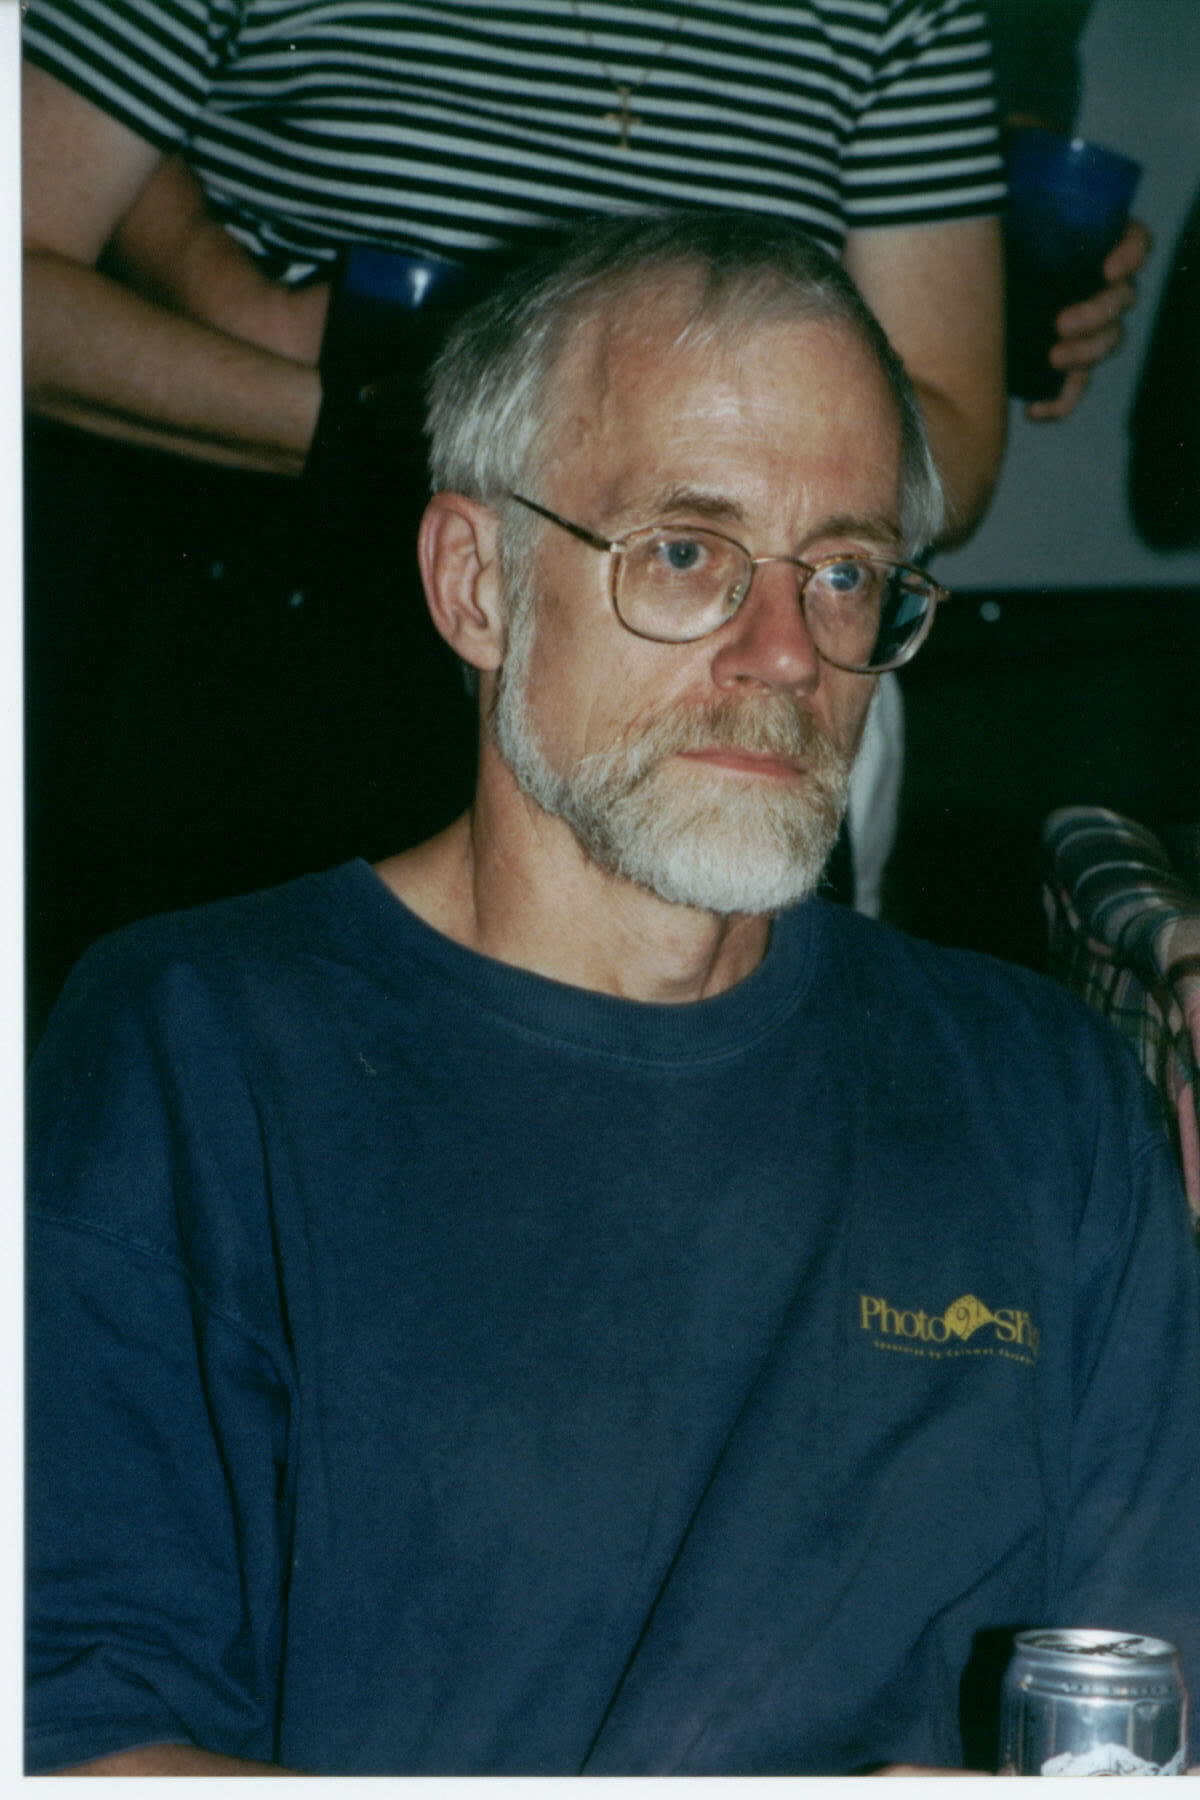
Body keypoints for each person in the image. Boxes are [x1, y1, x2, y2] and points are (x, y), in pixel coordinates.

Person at [27, 211, 1200, 1778]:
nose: (784, 653)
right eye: (687, 553)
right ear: (476, 584)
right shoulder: (194, 1055)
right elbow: (83, 1738)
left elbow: (1152, 1713)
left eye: (845, 571)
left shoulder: (1040, 1095)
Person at [21, 0, 1143, 1031]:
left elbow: (951, 431)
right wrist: (369, 430)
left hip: (707, 665)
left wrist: (699, 504)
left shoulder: (893, 14)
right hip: (266, 642)